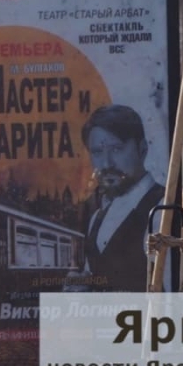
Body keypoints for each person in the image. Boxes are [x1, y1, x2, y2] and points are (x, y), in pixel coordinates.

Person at [67, 104, 166, 294]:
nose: (106, 163)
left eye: (116, 149)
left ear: (142, 149)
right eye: (97, 152)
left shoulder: (160, 210)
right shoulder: (97, 218)